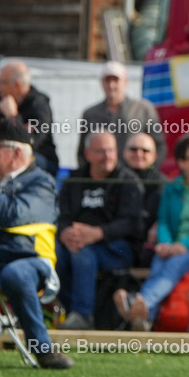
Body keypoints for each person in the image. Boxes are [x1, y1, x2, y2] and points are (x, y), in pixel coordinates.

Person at [113, 133, 189, 331]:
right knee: (160, 261)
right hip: (175, 247)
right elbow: (164, 221)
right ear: (182, 162)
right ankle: (144, 318)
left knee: (174, 263)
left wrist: (184, 246)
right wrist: (166, 244)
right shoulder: (172, 186)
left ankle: (140, 304)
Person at [0, 118, 72, 368]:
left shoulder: (42, 183)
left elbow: (12, 214)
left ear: (15, 152)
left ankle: (44, 349)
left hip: (31, 262)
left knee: (15, 273)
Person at [56, 132, 143, 329]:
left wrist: (99, 233)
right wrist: (65, 233)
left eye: (111, 150)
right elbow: (62, 217)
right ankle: (71, 311)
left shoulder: (127, 180)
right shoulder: (75, 179)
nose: (108, 156)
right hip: (77, 242)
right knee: (56, 254)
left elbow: (132, 224)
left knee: (82, 254)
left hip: (119, 248)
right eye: (101, 151)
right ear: (88, 154)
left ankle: (83, 315)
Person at [77, 61, 166, 167]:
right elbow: (83, 151)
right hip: (103, 177)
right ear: (102, 83)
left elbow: (159, 146)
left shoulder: (143, 110)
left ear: (125, 82)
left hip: (136, 175)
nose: (111, 85)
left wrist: (147, 173)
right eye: (107, 80)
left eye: (116, 80)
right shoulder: (90, 114)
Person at [0, 60, 59, 175]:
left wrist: (13, 117)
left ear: (17, 85)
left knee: (14, 157)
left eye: (2, 82)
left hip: (41, 159)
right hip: (4, 155)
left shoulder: (39, 106)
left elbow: (31, 142)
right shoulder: (1, 103)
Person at [122, 132, 166, 267]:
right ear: (124, 153)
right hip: (121, 244)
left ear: (154, 156)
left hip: (151, 247)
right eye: (133, 149)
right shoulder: (114, 180)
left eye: (145, 150)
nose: (138, 154)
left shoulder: (164, 185)